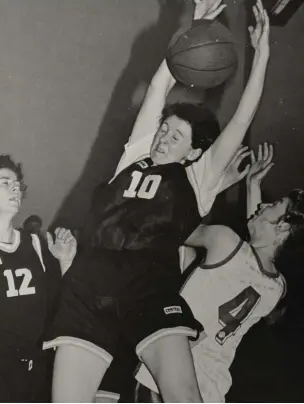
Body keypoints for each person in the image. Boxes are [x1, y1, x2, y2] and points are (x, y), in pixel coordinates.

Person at [44, 0, 271, 402]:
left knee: (183, 396)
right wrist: (192, 28)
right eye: (163, 129)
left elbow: (240, 120)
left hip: (150, 288)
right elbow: (157, 88)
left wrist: (263, 55)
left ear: (194, 152)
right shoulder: (134, 158)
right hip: (91, 284)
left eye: (176, 136)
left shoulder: (198, 178)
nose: (164, 138)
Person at [136, 142, 304, 402]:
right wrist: (252, 187)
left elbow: (174, 227)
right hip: (212, 386)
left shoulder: (224, 241)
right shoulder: (276, 288)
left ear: (283, 228)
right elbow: (253, 254)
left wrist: (217, 182)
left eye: (276, 204)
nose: (266, 204)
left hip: (167, 376)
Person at [0, 155, 77, 403]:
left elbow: (57, 308)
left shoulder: (35, 243)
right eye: (6, 182)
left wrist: (65, 262)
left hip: (31, 376)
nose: (16, 187)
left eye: (18, 184)